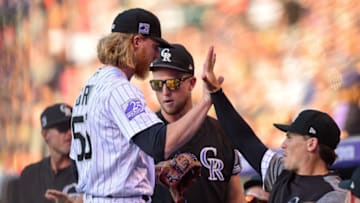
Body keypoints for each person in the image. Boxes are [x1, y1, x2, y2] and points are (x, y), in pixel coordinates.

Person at [69, 8, 214, 203]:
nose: (157, 55)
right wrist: (207, 99)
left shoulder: (90, 87)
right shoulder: (118, 88)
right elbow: (159, 145)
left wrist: (149, 171)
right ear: (137, 41)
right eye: (155, 47)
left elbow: (80, 165)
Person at [201, 47, 347, 203]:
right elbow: (244, 139)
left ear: (311, 143)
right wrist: (216, 93)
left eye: (290, 138)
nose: (283, 145)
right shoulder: (281, 174)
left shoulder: (334, 194)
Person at [149, 44, 244, 203]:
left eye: (173, 83)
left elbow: (235, 197)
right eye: (157, 84)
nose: (165, 92)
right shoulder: (144, 133)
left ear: (192, 83)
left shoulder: (220, 132)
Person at [18, 103, 78, 203]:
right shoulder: (30, 175)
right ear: (45, 134)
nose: (70, 133)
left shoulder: (85, 172)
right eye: (62, 128)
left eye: (72, 127)